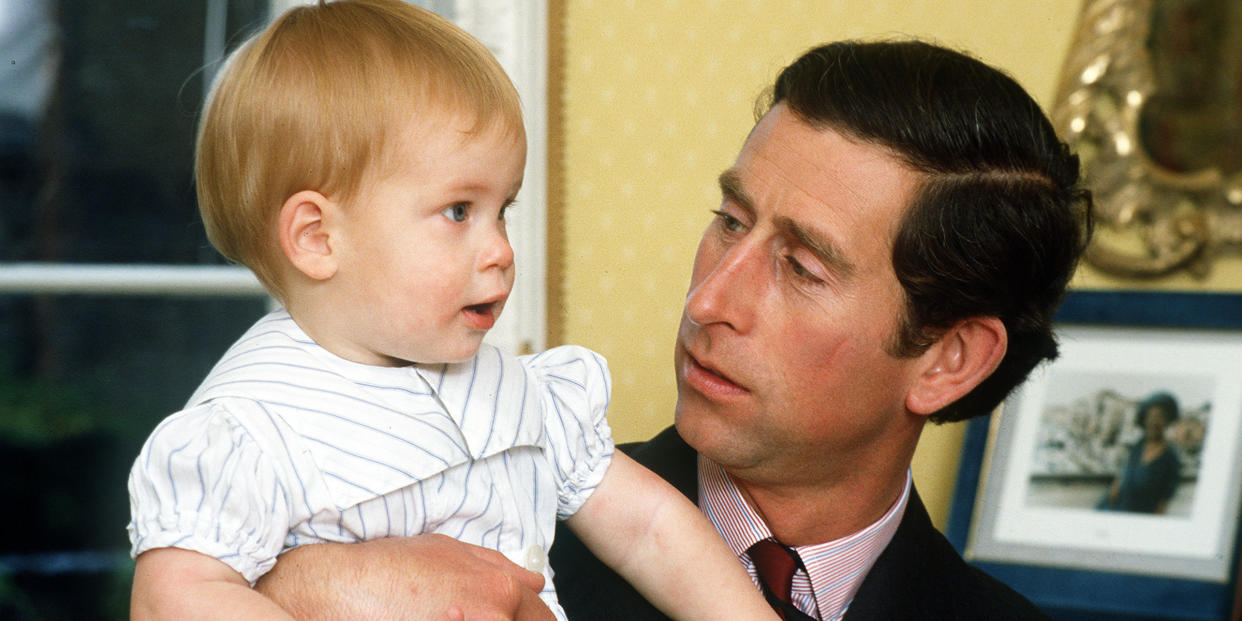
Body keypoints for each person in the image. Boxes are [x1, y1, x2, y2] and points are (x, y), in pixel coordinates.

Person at [252, 39, 1093, 620]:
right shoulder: (465, 539)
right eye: (730, 221)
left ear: (948, 358)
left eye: (801, 267)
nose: (708, 300)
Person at [124, 2, 782, 620]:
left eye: (504, 210)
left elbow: (650, 530)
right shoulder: (250, 429)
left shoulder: (518, 393)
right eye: (458, 211)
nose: (499, 249)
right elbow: (173, 600)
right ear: (317, 238)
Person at [1098, 391, 1183, 514]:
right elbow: (1123, 475)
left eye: (1160, 416)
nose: (1154, 422)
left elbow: (1164, 501)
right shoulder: (1138, 446)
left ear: (1168, 421)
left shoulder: (1171, 457)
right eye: (1150, 417)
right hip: (1115, 508)